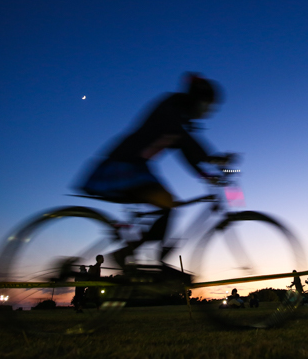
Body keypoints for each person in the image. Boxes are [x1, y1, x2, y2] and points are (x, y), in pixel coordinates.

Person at [77, 73, 230, 268]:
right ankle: (138, 257)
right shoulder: (172, 110)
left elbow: (185, 150)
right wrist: (211, 158)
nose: (208, 111)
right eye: (207, 105)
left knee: (167, 206)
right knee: (167, 204)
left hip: (133, 166)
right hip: (124, 167)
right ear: (197, 100)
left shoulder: (176, 113)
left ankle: (136, 255)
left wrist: (205, 174)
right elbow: (184, 141)